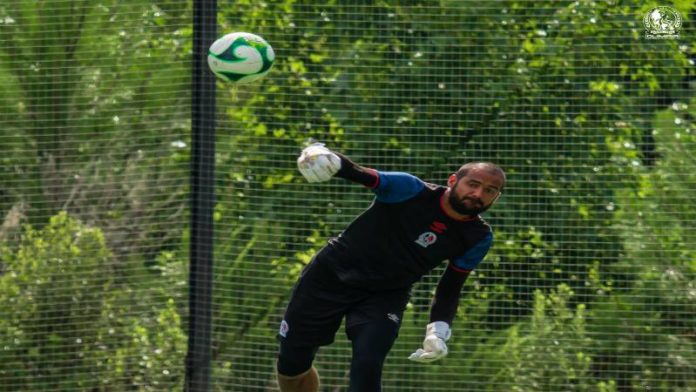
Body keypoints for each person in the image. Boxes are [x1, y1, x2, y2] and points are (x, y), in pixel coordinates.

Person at [276, 143, 506, 392]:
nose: (478, 194)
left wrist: (437, 332)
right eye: (473, 184)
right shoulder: (409, 189)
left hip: (385, 294)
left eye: (489, 191)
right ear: (453, 180)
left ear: (496, 197)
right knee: (293, 364)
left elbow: (450, 287)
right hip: (330, 276)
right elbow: (354, 171)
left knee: (368, 364)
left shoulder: (478, 237)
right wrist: (320, 155)